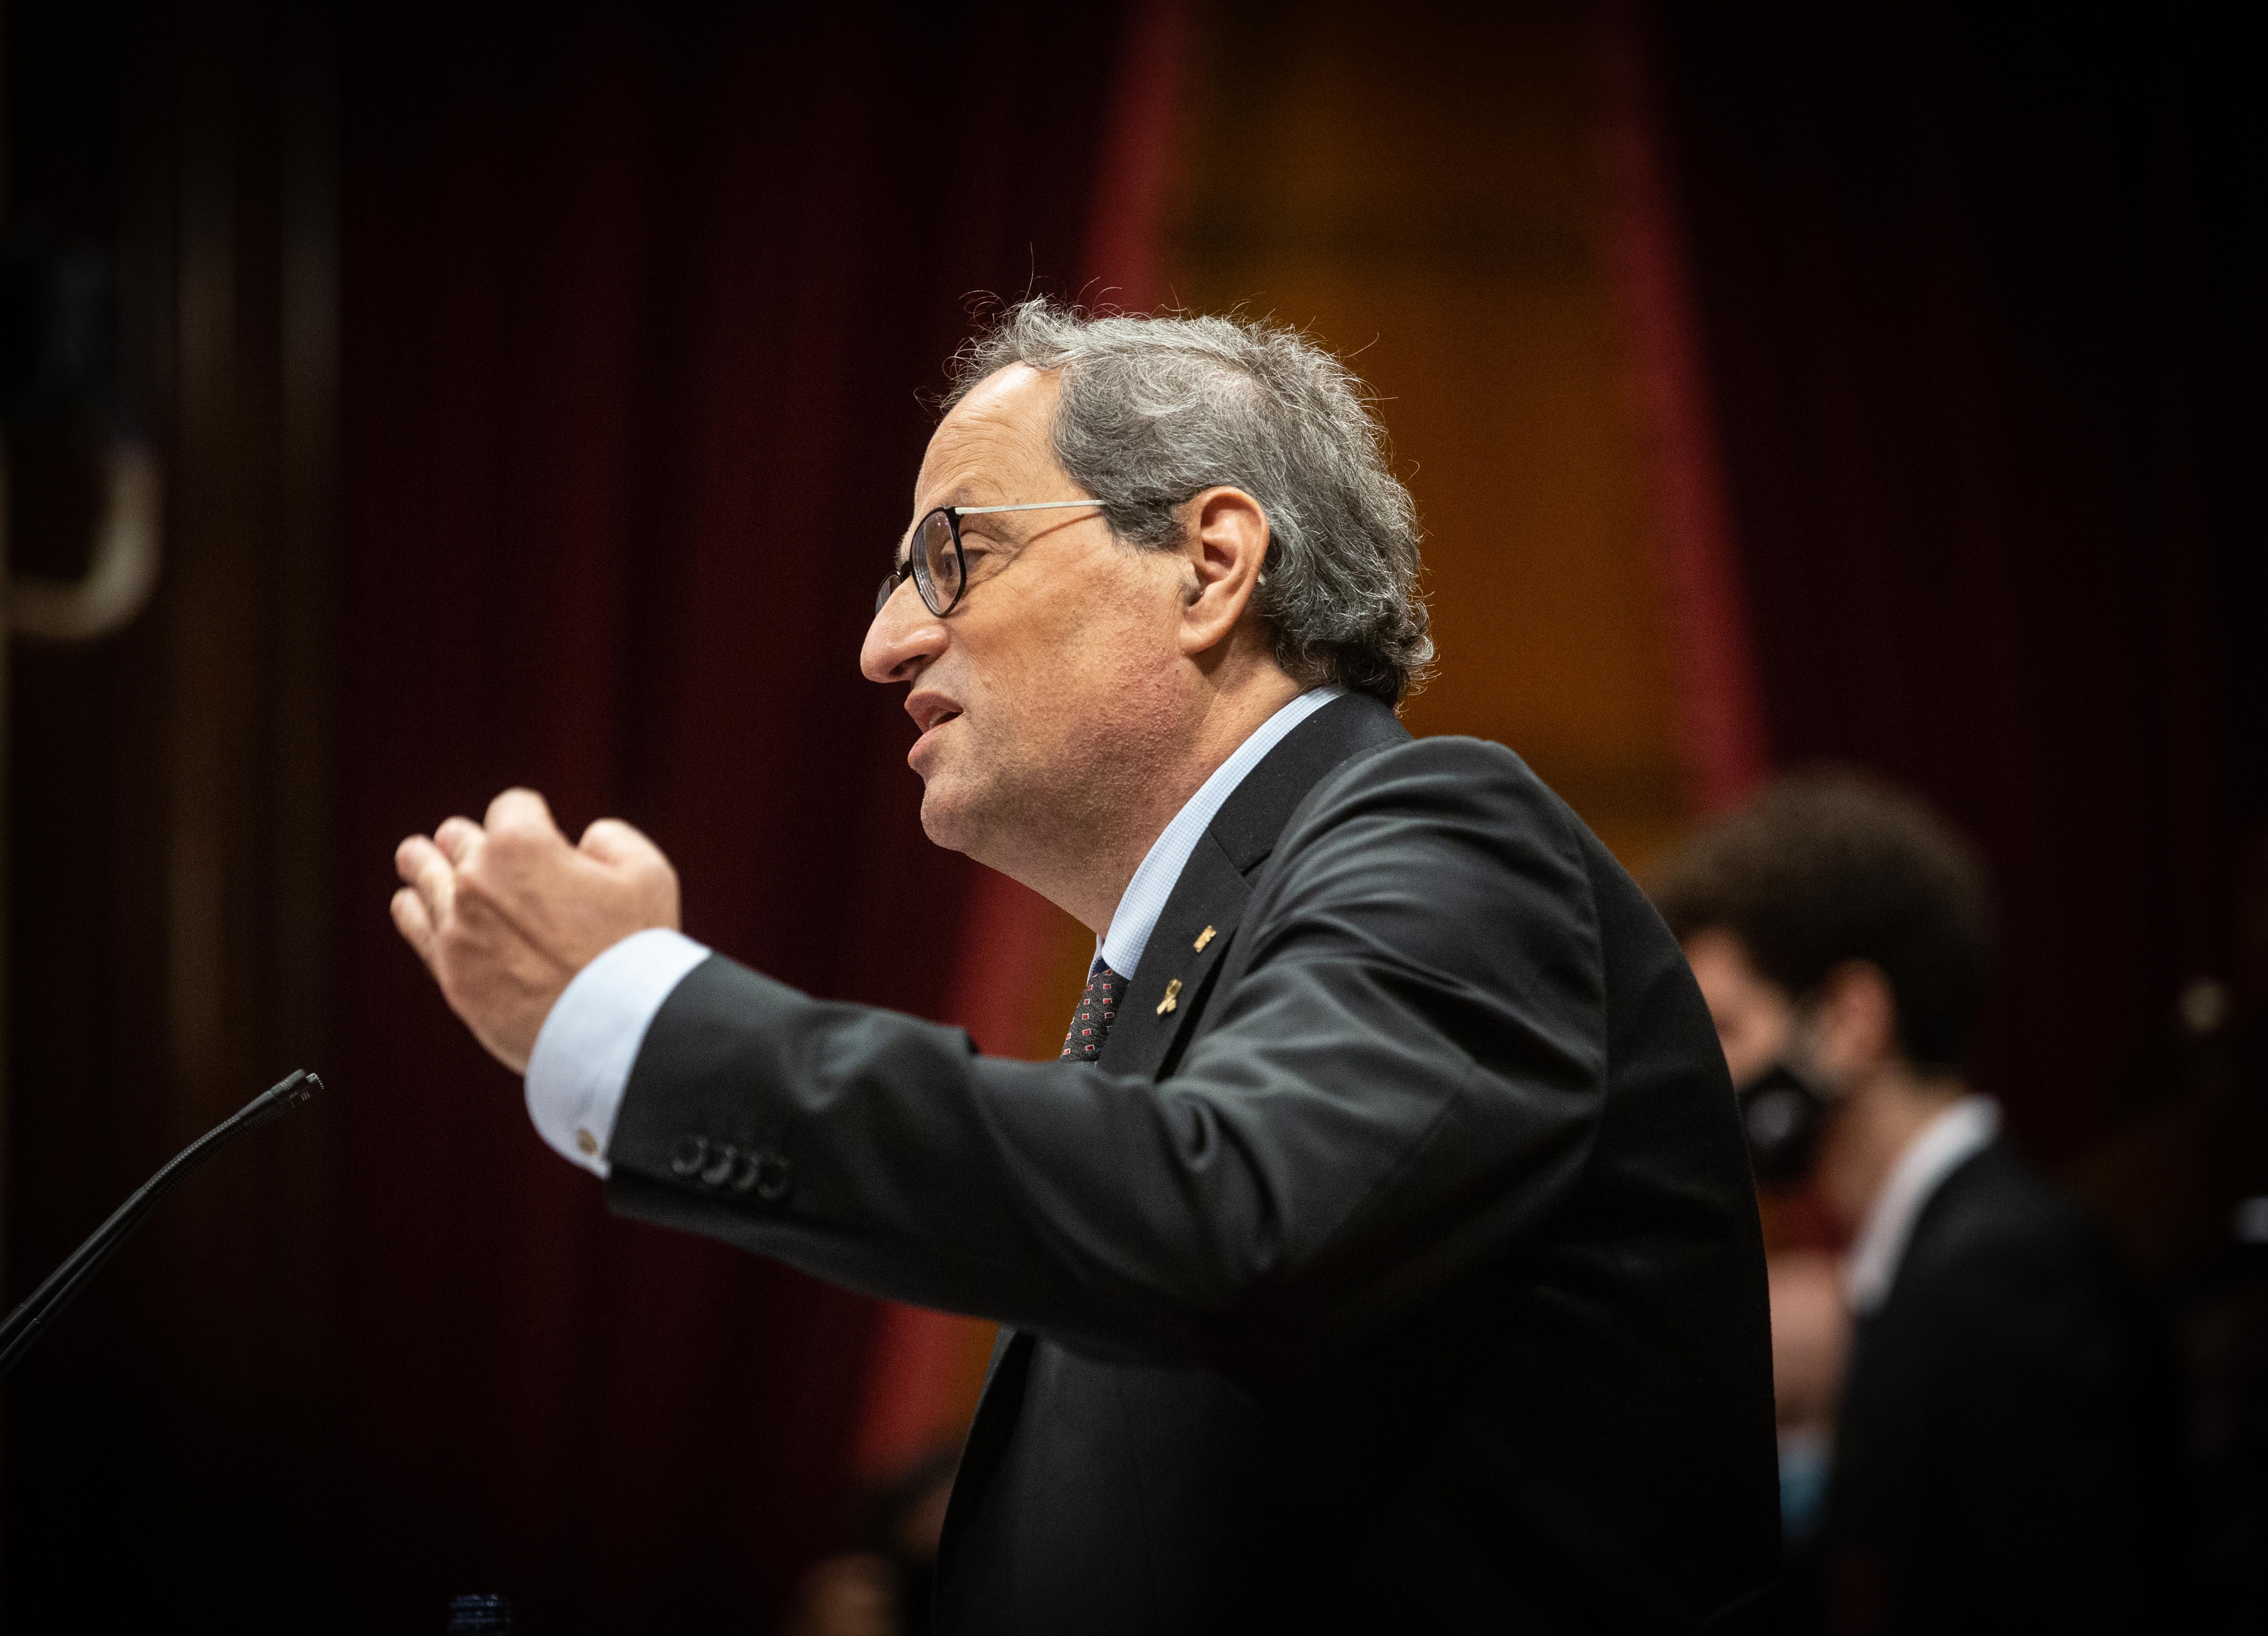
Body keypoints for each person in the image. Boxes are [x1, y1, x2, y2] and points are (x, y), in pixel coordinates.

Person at [391, 301, 1779, 1632]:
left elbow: (1221, 1217)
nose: (882, 646)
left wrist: (646, 1022)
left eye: (950, 556)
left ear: (1210, 564)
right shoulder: (1184, 967)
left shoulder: (1446, 839)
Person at [1656, 772, 2187, 1633]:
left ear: (1851, 1019)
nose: (1704, 1077)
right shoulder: (1928, 1262)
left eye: (1725, 1028)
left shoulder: (2004, 1274)